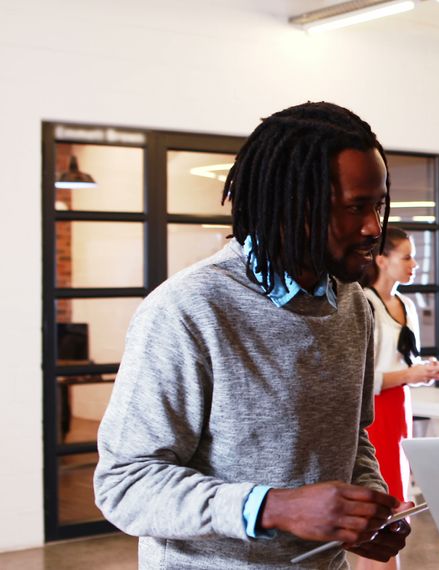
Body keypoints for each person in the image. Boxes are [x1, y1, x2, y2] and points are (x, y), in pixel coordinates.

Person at [94, 102, 414, 569]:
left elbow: (351, 436)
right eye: (354, 207)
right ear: (292, 207)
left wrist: (365, 507)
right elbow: (125, 485)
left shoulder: (352, 305)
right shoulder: (190, 309)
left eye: (378, 204)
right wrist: (273, 507)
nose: (371, 227)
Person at [358, 226, 439, 570]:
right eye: (407, 256)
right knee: (380, 512)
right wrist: (409, 375)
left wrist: (423, 372)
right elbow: (361, 380)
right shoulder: (363, 303)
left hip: (399, 411)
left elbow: (402, 365)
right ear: (382, 260)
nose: (414, 263)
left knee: (396, 509)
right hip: (374, 416)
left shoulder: (405, 304)